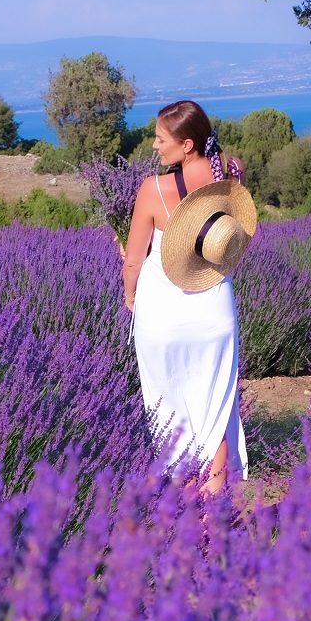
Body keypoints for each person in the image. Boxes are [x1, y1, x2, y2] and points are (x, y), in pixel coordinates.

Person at [121, 101, 259, 499]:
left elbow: (134, 259)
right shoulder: (230, 174)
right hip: (213, 311)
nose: (154, 145)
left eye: (161, 139)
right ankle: (214, 509)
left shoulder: (154, 190)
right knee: (213, 406)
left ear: (186, 145)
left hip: (162, 316)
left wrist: (130, 297)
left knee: (168, 408)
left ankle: (181, 504)